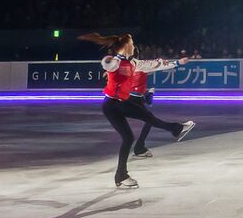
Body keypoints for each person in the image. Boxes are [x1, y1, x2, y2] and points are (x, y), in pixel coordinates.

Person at [81, 33, 196, 189]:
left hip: (118, 104)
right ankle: (177, 129)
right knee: (147, 117)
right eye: (132, 43)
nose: (134, 46)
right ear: (126, 46)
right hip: (112, 105)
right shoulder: (116, 62)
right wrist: (107, 61)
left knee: (129, 137)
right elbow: (107, 64)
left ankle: (121, 176)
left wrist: (177, 63)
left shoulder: (134, 63)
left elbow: (155, 64)